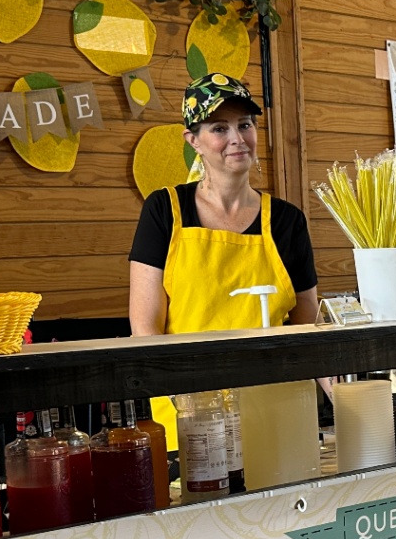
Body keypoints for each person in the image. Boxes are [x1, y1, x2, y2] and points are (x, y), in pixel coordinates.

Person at [128, 73, 320, 442]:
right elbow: (145, 325)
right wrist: (182, 398)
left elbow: (305, 318)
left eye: (245, 125)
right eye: (219, 128)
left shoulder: (286, 220)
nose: (237, 139)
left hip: (272, 410)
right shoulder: (164, 210)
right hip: (187, 415)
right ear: (193, 141)